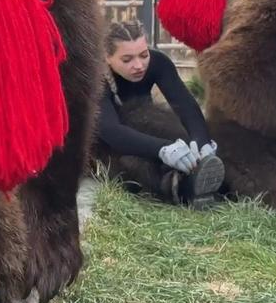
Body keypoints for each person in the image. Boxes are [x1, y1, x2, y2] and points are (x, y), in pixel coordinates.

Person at [96, 20, 224, 208]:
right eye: (127, 59)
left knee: (160, 122)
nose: (139, 65)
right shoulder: (96, 78)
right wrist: (163, 149)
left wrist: (201, 141)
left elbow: (186, 105)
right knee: (136, 163)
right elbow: (111, 131)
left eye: (143, 55)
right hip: (106, 142)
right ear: (107, 57)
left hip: (142, 124)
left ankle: (202, 174)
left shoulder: (158, 63)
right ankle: (182, 186)